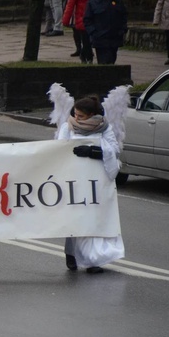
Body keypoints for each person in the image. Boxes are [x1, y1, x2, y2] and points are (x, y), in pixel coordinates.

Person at [58, 95, 125, 274]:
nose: (76, 118)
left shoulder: (105, 128)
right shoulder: (67, 127)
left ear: (92, 115)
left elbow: (114, 149)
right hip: (75, 179)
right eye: (76, 114)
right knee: (77, 217)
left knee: (93, 218)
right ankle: (71, 253)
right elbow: (58, 149)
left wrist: (94, 151)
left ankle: (91, 260)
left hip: (97, 180)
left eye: (81, 116)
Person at [83, 0, 128, 65]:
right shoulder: (93, 1)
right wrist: (93, 32)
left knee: (112, 59)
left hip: (114, 37)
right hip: (100, 38)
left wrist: (122, 30)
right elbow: (87, 19)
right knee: (104, 62)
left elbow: (123, 15)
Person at [62, 0, 98, 64]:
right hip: (82, 16)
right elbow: (70, 4)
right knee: (86, 39)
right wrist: (66, 19)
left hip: (94, 16)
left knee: (92, 39)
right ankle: (88, 57)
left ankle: (84, 54)